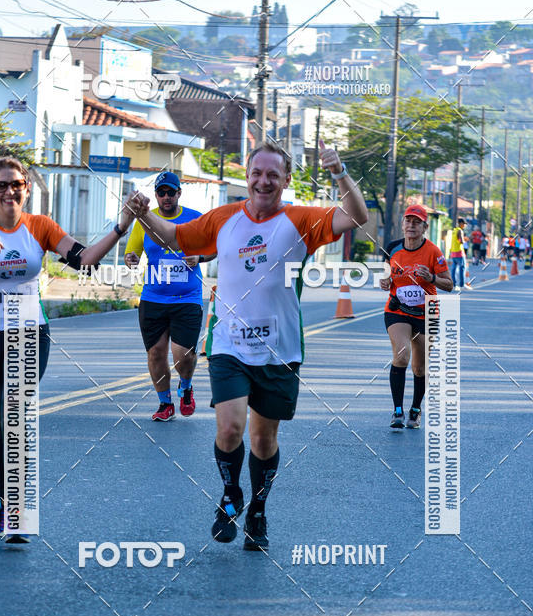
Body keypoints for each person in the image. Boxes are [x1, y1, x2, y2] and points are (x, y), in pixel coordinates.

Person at [127, 140, 368, 550]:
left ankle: (257, 509)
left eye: (273, 174)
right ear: (247, 177)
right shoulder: (223, 219)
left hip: (280, 348)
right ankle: (229, 494)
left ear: (286, 180)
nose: (263, 181)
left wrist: (339, 171)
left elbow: (356, 216)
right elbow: (174, 237)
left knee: (263, 440)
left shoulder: (301, 220)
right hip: (228, 344)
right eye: (257, 173)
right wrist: (143, 213)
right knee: (230, 427)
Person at [0, 156, 137, 540]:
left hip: (29, 331)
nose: (9, 191)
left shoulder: (40, 227)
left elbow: (84, 260)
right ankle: (2, 499)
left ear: (27, 188)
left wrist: (122, 225)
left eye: (16, 183)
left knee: (15, 417)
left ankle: (15, 510)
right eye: (1, 185)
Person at [123, 171, 213, 421]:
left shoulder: (194, 219)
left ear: (178, 194)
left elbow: (213, 249)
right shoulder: (146, 221)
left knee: (182, 354)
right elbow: (132, 253)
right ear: (156, 196)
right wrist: (130, 259)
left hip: (187, 299)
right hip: (153, 299)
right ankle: (165, 404)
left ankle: (185, 386)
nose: (165, 197)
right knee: (156, 353)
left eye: (170, 192)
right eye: (161, 193)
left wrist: (200, 258)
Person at [380, 204, 453, 430]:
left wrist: (431, 277)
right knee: (401, 356)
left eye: (416, 222)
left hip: (427, 313)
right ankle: (398, 411)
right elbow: (386, 277)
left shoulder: (433, 252)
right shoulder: (391, 249)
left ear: (425, 227)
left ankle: (415, 409)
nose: (411, 225)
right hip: (397, 310)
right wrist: (384, 282)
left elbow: (449, 284)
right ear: (402, 224)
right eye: (408, 221)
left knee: (419, 368)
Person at [449, 217, 467, 288]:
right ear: (461, 223)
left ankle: (454, 284)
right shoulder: (460, 231)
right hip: (459, 252)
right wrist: (465, 240)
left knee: (453, 269)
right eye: (464, 224)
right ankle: (462, 284)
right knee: (462, 268)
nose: (465, 225)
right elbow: (461, 241)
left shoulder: (454, 230)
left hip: (453, 252)